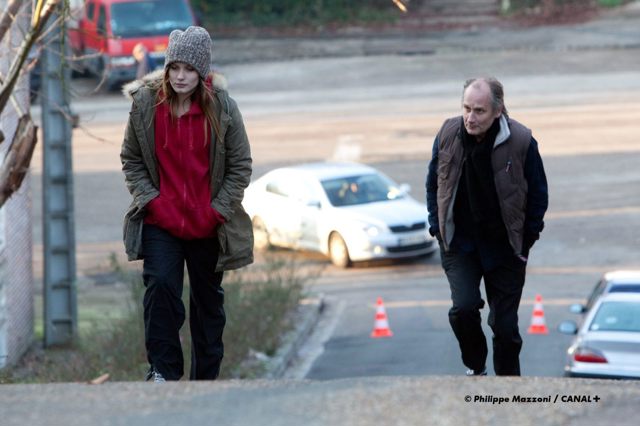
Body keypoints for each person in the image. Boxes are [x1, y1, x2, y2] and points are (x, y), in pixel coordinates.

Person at [120, 26, 254, 382]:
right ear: (166, 68)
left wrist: (217, 211)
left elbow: (240, 166)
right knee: (161, 286)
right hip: (161, 221)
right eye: (174, 67)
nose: (180, 76)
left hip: (208, 224)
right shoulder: (146, 105)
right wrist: (153, 202)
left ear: (202, 72)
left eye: (189, 69)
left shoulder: (223, 109)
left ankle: (205, 382)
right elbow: (131, 160)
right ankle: (163, 372)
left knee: (207, 305)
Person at [426, 77, 548, 376]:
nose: (470, 117)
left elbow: (538, 194)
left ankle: (508, 392)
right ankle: (476, 366)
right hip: (460, 245)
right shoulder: (447, 134)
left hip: (505, 248)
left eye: (479, 110)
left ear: (497, 110)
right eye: (466, 108)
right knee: (464, 309)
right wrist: (436, 227)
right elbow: (433, 183)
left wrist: (527, 238)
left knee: (505, 328)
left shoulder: (521, 141)